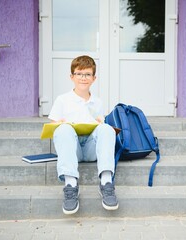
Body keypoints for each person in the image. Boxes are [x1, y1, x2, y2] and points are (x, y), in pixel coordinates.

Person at [48, 55, 118, 214]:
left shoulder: (98, 101)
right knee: (63, 129)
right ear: (71, 76)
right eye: (79, 74)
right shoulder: (62, 99)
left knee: (106, 128)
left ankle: (106, 183)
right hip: (73, 150)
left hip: (90, 149)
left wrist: (100, 122)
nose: (83, 78)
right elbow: (52, 126)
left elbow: (98, 128)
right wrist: (60, 123)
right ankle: (71, 185)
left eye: (87, 74)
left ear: (94, 78)